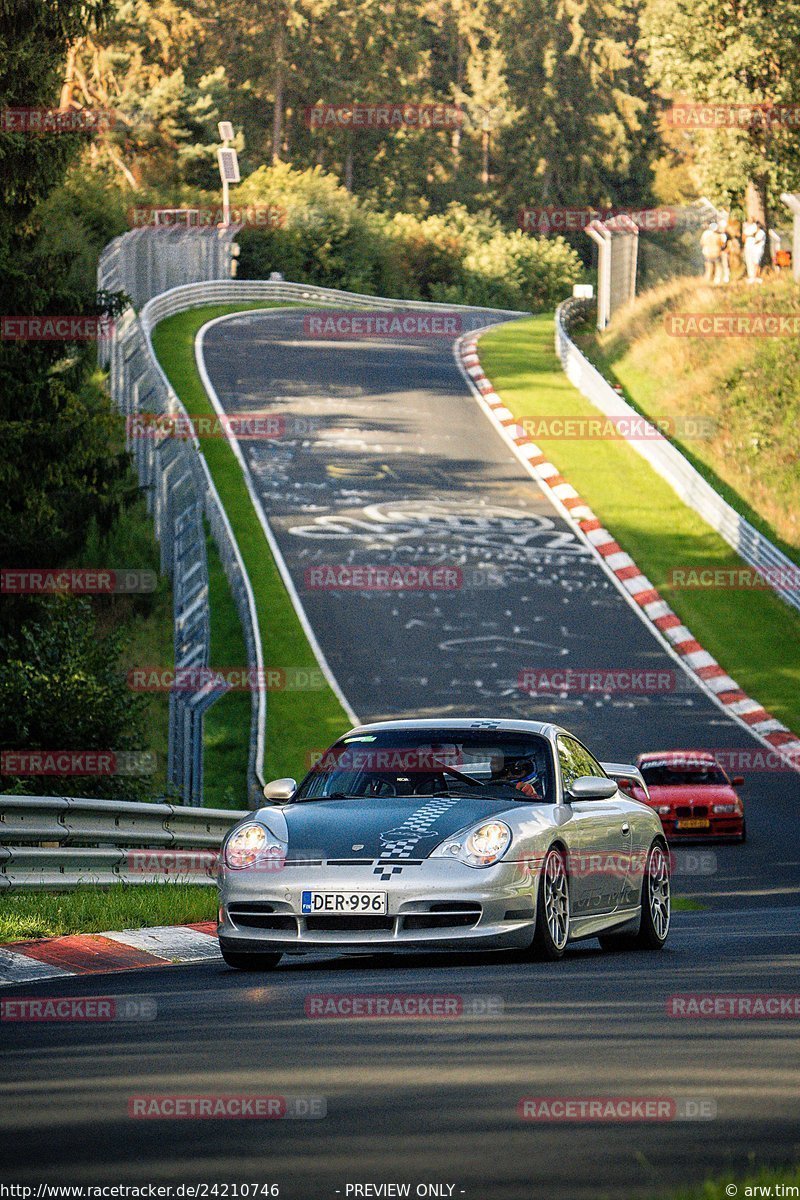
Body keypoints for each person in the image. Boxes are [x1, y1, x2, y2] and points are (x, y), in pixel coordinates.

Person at [743, 218, 766, 282]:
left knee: (756, 263)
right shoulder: (757, 232)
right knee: (753, 263)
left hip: (758, 250)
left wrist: (751, 236)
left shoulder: (761, 233)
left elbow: (757, 241)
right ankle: (753, 276)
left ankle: (756, 276)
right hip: (754, 250)